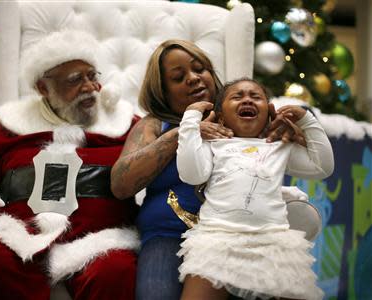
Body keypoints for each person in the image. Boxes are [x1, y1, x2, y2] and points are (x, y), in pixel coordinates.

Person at [0, 30, 139, 300]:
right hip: (22, 239)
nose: (89, 87)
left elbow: (156, 155)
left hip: (103, 241)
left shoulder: (125, 123)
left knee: (116, 271)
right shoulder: (11, 125)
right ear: (42, 88)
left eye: (93, 76)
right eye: (75, 79)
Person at [110, 40, 308, 300]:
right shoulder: (155, 125)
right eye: (179, 77)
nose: (193, 79)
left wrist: (295, 134)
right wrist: (183, 133)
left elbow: (297, 157)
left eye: (200, 69)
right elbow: (121, 184)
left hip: (240, 237)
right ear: (163, 91)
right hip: (169, 235)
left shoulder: (247, 117)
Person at [176, 78, 334, 300]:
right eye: (237, 96)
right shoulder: (214, 144)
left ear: (268, 115)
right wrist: (190, 121)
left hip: (272, 243)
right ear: (220, 116)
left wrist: (307, 121)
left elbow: (322, 166)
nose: (247, 99)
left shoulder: (278, 145)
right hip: (217, 241)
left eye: (256, 97)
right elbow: (191, 173)